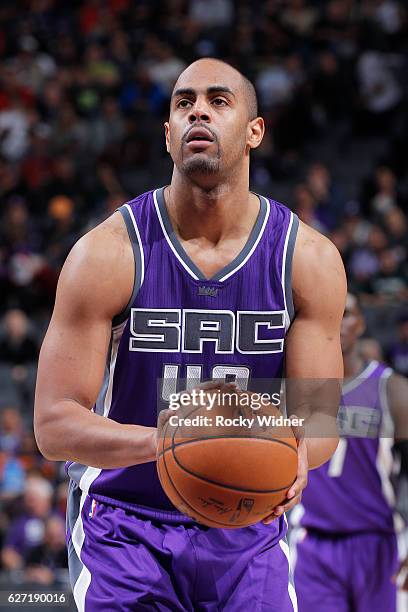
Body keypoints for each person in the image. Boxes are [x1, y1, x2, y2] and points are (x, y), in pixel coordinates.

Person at [34, 58, 346, 611]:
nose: (198, 109)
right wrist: (171, 444)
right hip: (125, 526)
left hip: (247, 526)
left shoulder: (308, 260)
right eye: (184, 103)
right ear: (169, 133)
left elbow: (317, 423)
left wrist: (294, 454)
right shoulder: (107, 254)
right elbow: (55, 425)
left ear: (255, 131)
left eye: (219, 100)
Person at [291, 292, 408, 612]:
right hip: (314, 543)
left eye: (346, 314)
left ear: (361, 324)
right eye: (329, 312)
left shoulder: (393, 389)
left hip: (378, 542)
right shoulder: (297, 388)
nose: (337, 323)